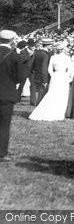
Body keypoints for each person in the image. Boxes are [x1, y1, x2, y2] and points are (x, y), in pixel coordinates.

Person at [29, 42, 74, 121]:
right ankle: (58, 112)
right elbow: (70, 69)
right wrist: (69, 77)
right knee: (60, 94)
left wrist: (53, 75)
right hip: (61, 75)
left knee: (55, 93)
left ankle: (57, 112)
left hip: (57, 76)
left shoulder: (54, 57)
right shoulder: (64, 57)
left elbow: (50, 69)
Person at [0, 30, 20, 162]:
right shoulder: (13, 56)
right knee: (4, 125)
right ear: (12, 40)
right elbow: (18, 77)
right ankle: (2, 153)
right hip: (6, 94)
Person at [29, 38, 52, 105]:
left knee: (39, 91)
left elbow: (33, 64)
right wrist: (45, 79)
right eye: (50, 45)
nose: (51, 46)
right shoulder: (45, 54)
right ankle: (38, 105)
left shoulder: (37, 52)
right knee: (42, 93)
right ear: (48, 45)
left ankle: (36, 103)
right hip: (43, 75)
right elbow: (44, 67)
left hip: (36, 74)